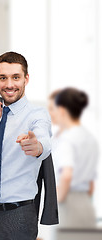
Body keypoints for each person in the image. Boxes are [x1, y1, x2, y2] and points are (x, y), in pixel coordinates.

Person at [0, 52, 54, 240]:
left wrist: (36, 146)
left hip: (19, 216)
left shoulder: (36, 115)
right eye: (3, 78)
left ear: (26, 79)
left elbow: (44, 142)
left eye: (16, 77)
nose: (9, 85)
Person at [52, 88, 98, 229]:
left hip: (68, 205)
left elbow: (66, 175)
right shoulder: (90, 138)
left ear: (62, 110)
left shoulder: (67, 139)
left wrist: (56, 202)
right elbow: (91, 184)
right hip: (86, 204)